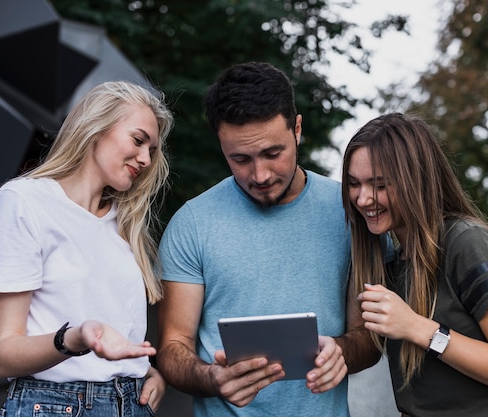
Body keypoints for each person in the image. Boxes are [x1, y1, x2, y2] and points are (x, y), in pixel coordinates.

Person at [155, 61, 386, 417]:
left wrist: (341, 351)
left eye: (272, 153)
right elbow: (173, 347)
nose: (259, 174)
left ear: (297, 128)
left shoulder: (352, 213)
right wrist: (212, 377)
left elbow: (369, 336)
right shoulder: (193, 224)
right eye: (240, 159)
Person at [0, 80, 174, 416]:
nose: (145, 159)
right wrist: (76, 337)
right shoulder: (25, 202)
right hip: (54, 404)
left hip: (132, 402)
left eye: (152, 151)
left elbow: (116, 340)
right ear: (96, 127)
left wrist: (144, 371)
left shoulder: (124, 223)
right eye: (138, 140)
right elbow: (3, 353)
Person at [341, 112, 488, 417]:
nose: (363, 198)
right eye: (354, 184)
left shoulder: (466, 242)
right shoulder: (393, 261)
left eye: (380, 185)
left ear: (416, 181)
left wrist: (417, 328)